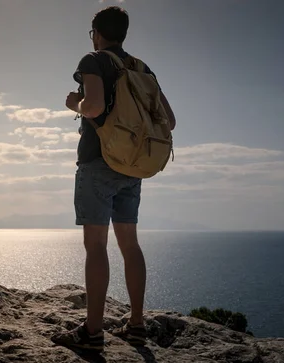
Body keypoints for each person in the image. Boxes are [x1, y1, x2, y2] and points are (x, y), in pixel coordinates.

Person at [51, 6, 176, 351]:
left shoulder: (94, 61)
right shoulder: (141, 67)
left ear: (96, 32)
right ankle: (136, 326)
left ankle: (92, 333)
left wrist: (74, 103)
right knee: (130, 244)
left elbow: (91, 107)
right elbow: (171, 121)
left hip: (98, 162)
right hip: (132, 167)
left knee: (96, 247)